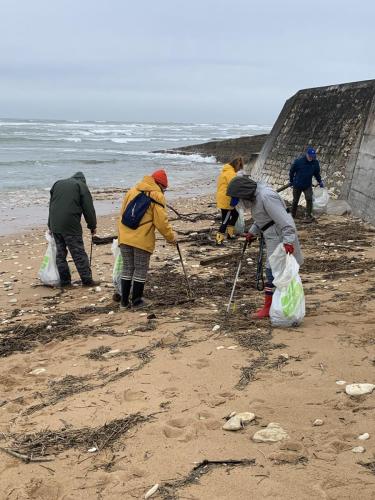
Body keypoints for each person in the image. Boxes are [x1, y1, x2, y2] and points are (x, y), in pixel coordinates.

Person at [227, 176, 303, 319]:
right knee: (276, 271)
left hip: (280, 237)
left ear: (244, 193)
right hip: (272, 236)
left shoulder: (266, 197)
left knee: (272, 271)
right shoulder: (256, 198)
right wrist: (252, 232)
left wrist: (288, 242)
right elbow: (262, 219)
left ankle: (269, 307)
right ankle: (279, 304)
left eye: (239, 200)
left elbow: (286, 222)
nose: (241, 204)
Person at [118, 169, 176, 309]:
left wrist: (121, 235)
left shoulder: (132, 190)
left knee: (127, 268)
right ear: (160, 185)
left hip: (125, 236)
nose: (164, 192)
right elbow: (161, 222)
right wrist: (171, 238)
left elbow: (122, 213)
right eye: (164, 189)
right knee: (140, 268)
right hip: (142, 238)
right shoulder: (156, 195)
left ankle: (124, 302)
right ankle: (137, 300)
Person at [48, 171, 98, 287]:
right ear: (83, 181)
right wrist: (92, 226)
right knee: (78, 253)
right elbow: (88, 208)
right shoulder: (81, 186)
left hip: (55, 225)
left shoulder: (57, 184)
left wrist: (50, 225)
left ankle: (65, 282)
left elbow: (52, 206)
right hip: (70, 225)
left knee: (60, 255)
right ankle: (87, 281)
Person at [289, 147, 323, 221]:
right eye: (310, 156)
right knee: (295, 200)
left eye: (313, 156)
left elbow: (316, 173)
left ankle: (308, 216)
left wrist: (320, 181)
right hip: (297, 184)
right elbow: (292, 171)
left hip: (307, 185)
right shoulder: (298, 162)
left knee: (309, 198)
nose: (311, 158)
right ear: (307, 154)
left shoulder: (315, 163)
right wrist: (291, 181)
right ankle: (292, 215)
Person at [215, 157, 244, 245]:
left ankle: (230, 234)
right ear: (237, 165)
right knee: (225, 220)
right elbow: (234, 187)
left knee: (235, 214)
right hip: (227, 200)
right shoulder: (230, 174)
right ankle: (218, 240)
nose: (239, 170)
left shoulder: (225, 171)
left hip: (222, 197)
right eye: (239, 167)